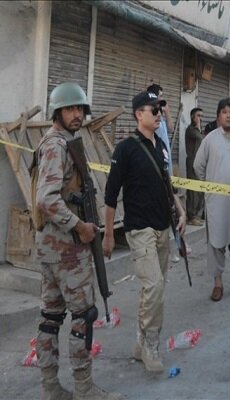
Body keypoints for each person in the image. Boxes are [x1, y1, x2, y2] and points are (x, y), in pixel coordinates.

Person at [34, 82, 122, 399]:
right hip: (67, 248)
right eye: (70, 109)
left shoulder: (63, 141)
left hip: (52, 248)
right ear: (57, 112)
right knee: (82, 316)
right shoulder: (56, 145)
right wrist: (80, 226)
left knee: (51, 317)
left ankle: (50, 389)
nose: (76, 115)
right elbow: (47, 198)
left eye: (80, 109)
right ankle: (84, 390)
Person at [103, 90, 186, 372]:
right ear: (139, 114)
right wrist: (109, 234)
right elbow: (111, 193)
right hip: (139, 228)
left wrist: (182, 210)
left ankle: (140, 340)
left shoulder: (161, 145)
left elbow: (167, 183)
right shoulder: (125, 149)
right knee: (154, 286)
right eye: (154, 109)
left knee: (156, 290)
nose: (159, 113)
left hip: (164, 226)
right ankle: (152, 344)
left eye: (160, 109)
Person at [194, 98, 230, 301]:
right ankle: (217, 283)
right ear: (218, 116)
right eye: (224, 112)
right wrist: (210, 188)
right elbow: (198, 166)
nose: (228, 115)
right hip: (217, 203)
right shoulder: (209, 139)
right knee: (216, 243)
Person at [147, 83, 174, 176]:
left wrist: (167, 112)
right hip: (157, 159)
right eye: (161, 96)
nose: (163, 99)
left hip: (165, 156)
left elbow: (171, 129)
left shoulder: (160, 115)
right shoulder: (150, 115)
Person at [185, 107, 205, 226]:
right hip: (192, 162)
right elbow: (200, 139)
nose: (200, 118)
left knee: (200, 190)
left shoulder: (199, 130)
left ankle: (197, 215)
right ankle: (191, 216)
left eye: (202, 116)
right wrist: (198, 127)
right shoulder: (191, 130)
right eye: (198, 116)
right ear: (193, 117)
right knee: (193, 191)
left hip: (200, 163)